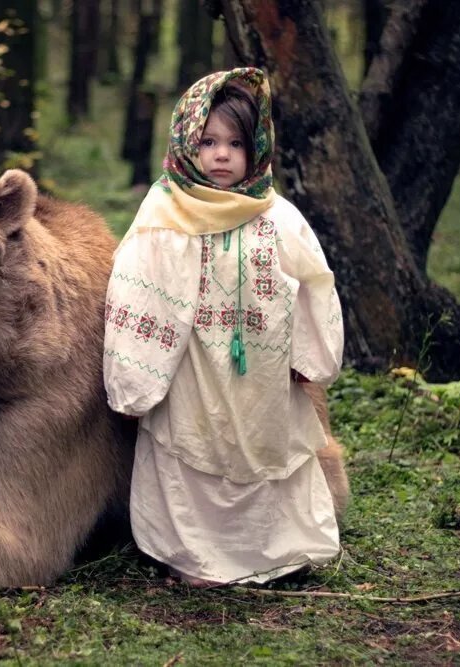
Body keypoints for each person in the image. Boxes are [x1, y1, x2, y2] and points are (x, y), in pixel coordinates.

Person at [103, 68, 344, 586]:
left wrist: (311, 358)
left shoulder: (277, 216)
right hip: (190, 371)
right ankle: (196, 556)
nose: (220, 155)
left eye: (235, 143)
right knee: (191, 452)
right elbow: (138, 288)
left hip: (263, 373)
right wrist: (135, 380)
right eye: (208, 141)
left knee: (263, 450)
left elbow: (311, 285)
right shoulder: (163, 212)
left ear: (255, 148)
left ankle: (270, 547)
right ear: (187, 141)